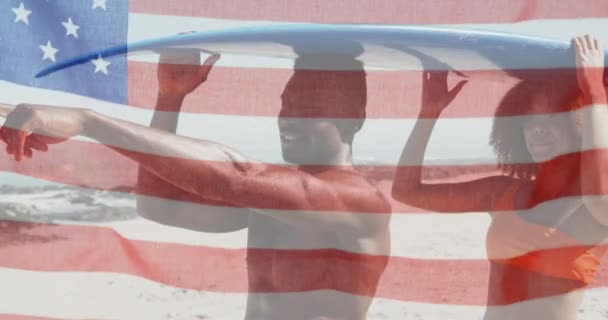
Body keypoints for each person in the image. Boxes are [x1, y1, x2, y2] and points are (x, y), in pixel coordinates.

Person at [0, 52, 391, 320]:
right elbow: (159, 205)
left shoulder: (360, 202)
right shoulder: (275, 199)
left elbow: (236, 175)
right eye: (287, 103)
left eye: (308, 106)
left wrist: (88, 121)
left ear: (355, 115)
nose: (288, 118)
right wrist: (169, 98)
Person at [391, 35, 608, 319]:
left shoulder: (591, 207)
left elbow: (600, 195)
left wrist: (594, 92)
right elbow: (406, 192)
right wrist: (429, 113)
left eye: (553, 119)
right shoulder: (502, 192)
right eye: (529, 120)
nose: (538, 130)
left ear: (579, 126)